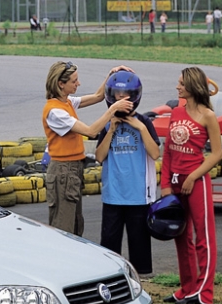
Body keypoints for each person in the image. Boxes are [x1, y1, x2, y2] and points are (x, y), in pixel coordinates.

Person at [42, 61, 134, 236]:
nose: (78, 84)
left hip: (73, 168)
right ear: (61, 84)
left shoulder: (67, 102)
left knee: (76, 225)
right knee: (64, 227)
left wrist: (111, 74)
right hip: (63, 170)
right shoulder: (55, 111)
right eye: (74, 81)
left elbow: (99, 96)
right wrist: (113, 109)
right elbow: (91, 131)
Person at [160, 67, 222, 304]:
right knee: (180, 235)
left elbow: (216, 154)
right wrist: (165, 184)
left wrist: (192, 177)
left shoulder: (208, 116)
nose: (177, 87)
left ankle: (204, 293)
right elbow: (168, 151)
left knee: (203, 236)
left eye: (181, 84)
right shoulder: (176, 111)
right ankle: (187, 288)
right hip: (174, 182)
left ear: (192, 86)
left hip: (196, 182)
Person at [95, 70, 161, 276]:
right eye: (117, 97)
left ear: (134, 97)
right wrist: (112, 128)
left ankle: (141, 279)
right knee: (109, 244)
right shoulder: (106, 123)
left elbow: (155, 153)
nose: (121, 101)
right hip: (113, 195)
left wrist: (140, 128)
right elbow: (99, 156)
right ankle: (109, 277)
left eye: (126, 97)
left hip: (138, 196)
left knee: (139, 243)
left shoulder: (144, 122)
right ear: (111, 97)